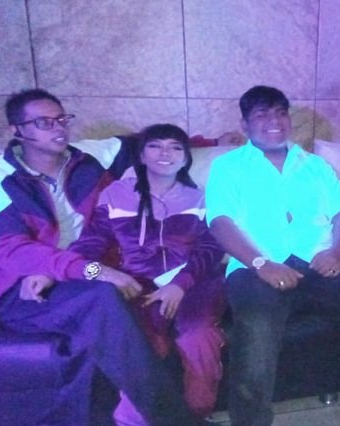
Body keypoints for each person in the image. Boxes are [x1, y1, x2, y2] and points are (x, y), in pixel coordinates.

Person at [0, 89, 202, 425]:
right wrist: (92, 270)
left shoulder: (88, 157)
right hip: (20, 289)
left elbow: (147, 144)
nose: (58, 128)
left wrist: (209, 141)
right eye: (44, 123)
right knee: (102, 297)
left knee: (115, 311)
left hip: (72, 278)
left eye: (61, 119)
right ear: (16, 130)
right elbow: (12, 250)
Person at [205, 85, 340, 426]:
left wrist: (338, 251)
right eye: (262, 115)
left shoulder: (314, 165)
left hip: (323, 261)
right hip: (256, 268)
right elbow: (219, 221)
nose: (274, 121)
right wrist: (261, 264)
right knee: (257, 327)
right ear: (245, 124)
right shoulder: (227, 167)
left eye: (280, 113)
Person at [66, 123, 226, 422]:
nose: (165, 153)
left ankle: (196, 416)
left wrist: (180, 284)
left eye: (175, 147)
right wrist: (92, 270)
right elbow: (89, 244)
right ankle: (134, 419)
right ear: (141, 155)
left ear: (186, 159)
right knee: (141, 342)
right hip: (136, 283)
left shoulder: (200, 198)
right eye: (155, 146)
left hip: (193, 281)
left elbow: (211, 247)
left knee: (198, 335)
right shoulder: (116, 194)